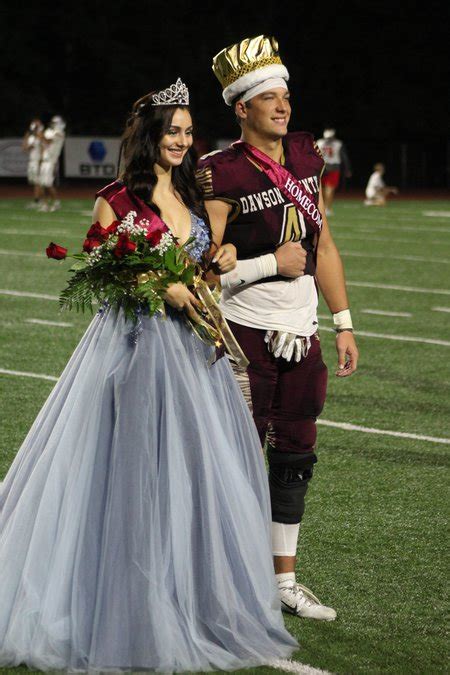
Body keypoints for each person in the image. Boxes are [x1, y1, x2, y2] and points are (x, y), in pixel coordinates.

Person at [0, 80, 297, 672]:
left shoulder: (190, 191)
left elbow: (203, 271)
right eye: (173, 132)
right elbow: (106, 274)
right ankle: (124, 605)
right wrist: (158, 285)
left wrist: (222, 260)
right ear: (150, 136)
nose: (182, 142)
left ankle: (188, 597)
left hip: (195, 355)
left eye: (188, 133)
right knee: (133, 470)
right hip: (136, 348)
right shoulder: (115, 198)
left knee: (191, 472)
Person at [197, 35, 359, 621]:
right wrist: (268, 262)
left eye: (284, 94)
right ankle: (221, 579)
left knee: (296, 455)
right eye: (267, 97)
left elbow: (324, 245)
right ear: (241, 107)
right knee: (233, 455)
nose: (282, 105)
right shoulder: (219, 170)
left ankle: (282, 582)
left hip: (302, 330)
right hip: (244, 334)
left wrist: (341, 322)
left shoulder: (306, 154)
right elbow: (204, 270)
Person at [316, 128, 351, 215]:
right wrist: (347, 169)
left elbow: (314, 155)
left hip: (321, 167)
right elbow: (344, 157)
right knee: (330, 188)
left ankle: (322, 208)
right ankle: (327, 209)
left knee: (322, 189)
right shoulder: (338, 143)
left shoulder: (319, 142)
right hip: (334, 167)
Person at [38, 115, 66, 212]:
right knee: (42, 184)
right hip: (45, 161)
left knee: (48, 184)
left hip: (51, 162)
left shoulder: (59, 133)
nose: (53, 125)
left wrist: (40, 133)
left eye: (55, 123)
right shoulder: (50, 132)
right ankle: (45, 204)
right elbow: (44, 144)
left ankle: (56, 202)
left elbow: (47, 140)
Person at [22, 118, 44, 208]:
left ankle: (38, 201)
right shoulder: (30, 135)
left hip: (37, 160)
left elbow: (44, 147)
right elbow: (24, 148)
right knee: (34, 181)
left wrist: (41, 160)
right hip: (31, 160)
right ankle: (39, 200)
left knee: (38, 181)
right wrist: (28, 145)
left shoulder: (41, 134)